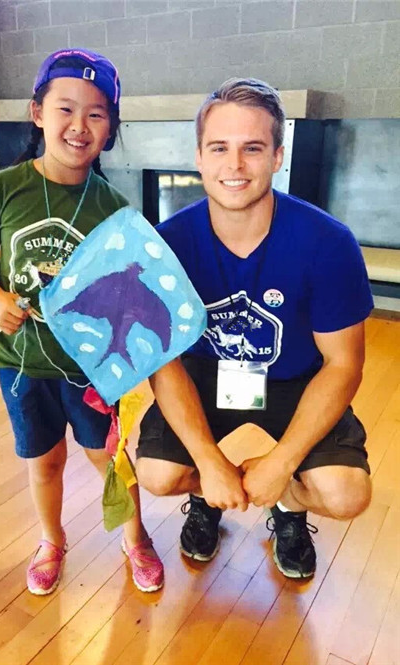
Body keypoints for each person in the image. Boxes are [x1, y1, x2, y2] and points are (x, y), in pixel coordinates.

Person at [135, 78, 373, 579]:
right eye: (219, 147)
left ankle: (287, 505)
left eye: (253, 148)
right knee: (157, 475)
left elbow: (344, 364)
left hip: (296, 377)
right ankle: (209, 495)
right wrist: (210, 463)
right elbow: (164, 361)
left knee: (346, 494)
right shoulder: (165, 245)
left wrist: (281, 464)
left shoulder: (329, 243)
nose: (235, 165)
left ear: (277, 156)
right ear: (199, 157)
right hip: (205, 374)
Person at [0, 48, 163, 595]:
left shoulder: (114, 208)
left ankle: (136, 537)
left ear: (110, 129)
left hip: (90, 370)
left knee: (110, 459)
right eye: (65, 109)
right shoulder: (2, 189)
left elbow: (129, 293)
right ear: (38, 113)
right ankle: (51, 539)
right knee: (44, 461)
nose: (79, 126)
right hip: (21, 364)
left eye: (96, 114)